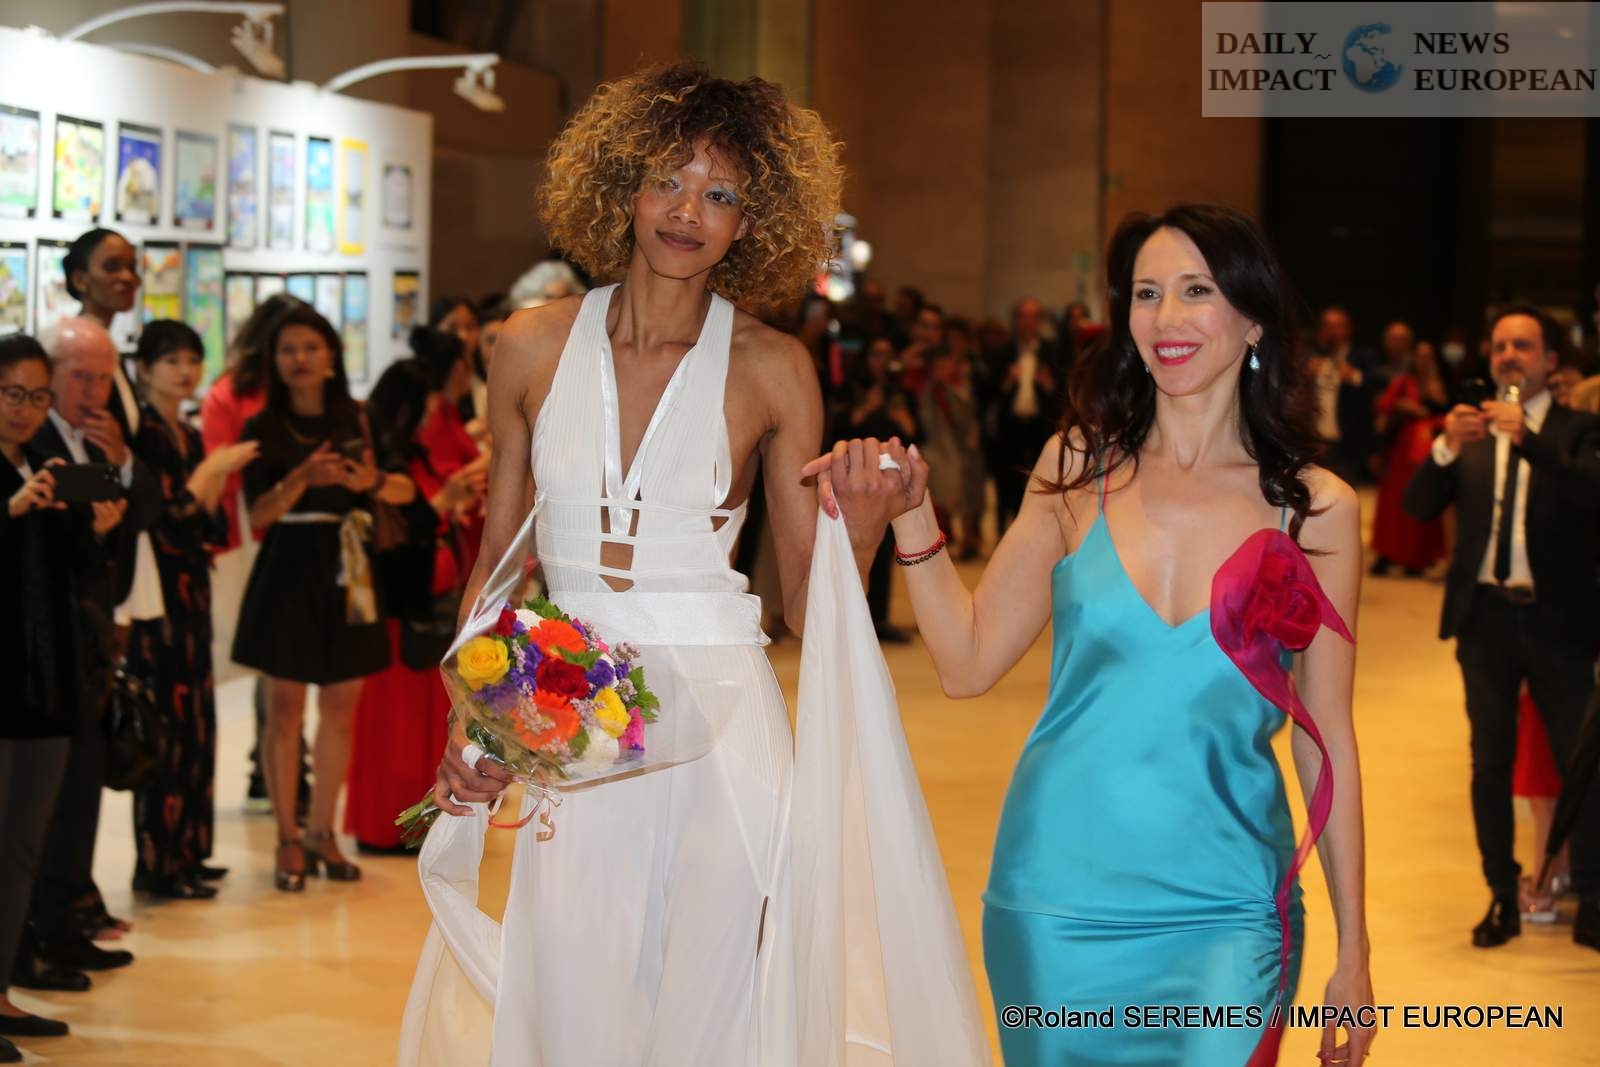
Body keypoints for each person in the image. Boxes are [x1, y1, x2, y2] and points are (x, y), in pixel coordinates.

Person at [403, 61, 892, 1066]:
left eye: (721, 194)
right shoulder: (529, 345)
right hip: (576, 709)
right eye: (668, 180)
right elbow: (499, 558)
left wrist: (868, 529)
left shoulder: (775, 366)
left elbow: (808, 602)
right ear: (622, 183)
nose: (687, 212)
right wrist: (474, 717)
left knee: (718, 1006)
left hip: (726, 723)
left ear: (752, 221)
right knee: (574, 994)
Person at [810, 204, 1376, 1065]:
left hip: (1230, 908)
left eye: (1197, 291)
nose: (1167, 317)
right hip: (1055, 903)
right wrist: (912, 514)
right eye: (1147, 293)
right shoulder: (1076, 469)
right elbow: (966, 662)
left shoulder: (1315, 509)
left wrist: (1355, 949)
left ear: (1254, 318)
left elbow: (1325, 737)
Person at [1404, 305, 1600, 953]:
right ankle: (1502, 894)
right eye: (1500, 346)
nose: (1509, 355)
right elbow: (1416, 506)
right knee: (1489, 762)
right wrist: (1444, 446)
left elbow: (1590, 494)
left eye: (1524, 345)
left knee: (1581, 761)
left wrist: (1530, 440)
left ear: (1551, 360)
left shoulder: (1577, 429)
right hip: (1484, 621)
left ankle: (1592, 897)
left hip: (1558, 621)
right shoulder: (1471, 432)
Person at [231, 305, 414, 892]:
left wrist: (369, 481)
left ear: (332, 354)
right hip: (287, 570)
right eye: (288, 349)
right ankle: (287, 837)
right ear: (273, 360)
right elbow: (258, 514)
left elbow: (406, 489)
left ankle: (322, 833)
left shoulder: (360, 418)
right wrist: (302, 479)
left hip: (350, 569)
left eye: (311, 347)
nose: (300, 359)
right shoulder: (261, 428)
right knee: (284, 709)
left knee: (340, 710)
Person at [17, 317, 158, 982]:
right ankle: (36, 938)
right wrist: (93, 529)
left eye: (103, 379)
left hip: (91, 647)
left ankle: (68, 923)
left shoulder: (102, 435)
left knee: (79, 794)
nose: (93, 391)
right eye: (79, 377)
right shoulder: (32, 440)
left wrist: (123, 462)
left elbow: (151, 509)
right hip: (45, 649)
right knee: (41, 808)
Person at [0, 333, 109, 1060]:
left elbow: (72, 577)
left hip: (45, 685)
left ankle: (1, 989)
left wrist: (95, 528)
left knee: (21, 847)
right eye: (13, 393)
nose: (26, 409)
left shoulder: (44, 465)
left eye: (38, 396)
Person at [123, 322, 259, 899]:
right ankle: (159, 863)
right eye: (171, 360)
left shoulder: (187, 432)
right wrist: (209, 476)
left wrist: (206, 483)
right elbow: (166, 521)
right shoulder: (144, 434)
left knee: (198, 725)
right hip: (158, 601)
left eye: (192, 360)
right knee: (166, 730)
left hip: (191, 595)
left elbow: (209, 525)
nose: (184, 371)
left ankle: (190, 853)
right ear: (145, 368)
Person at [345, 326, 487, 853]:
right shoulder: (385, 467)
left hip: (429, 602)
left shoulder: (414, 456)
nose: (434, 416)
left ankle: (424, 820)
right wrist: (445, 502)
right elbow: (408, 527)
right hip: (401, 605)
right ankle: (386, 824)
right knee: (395, 724)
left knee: (424, 718)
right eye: (426, 407)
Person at [199, 292, 307, 816]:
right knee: (274, 661)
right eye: (288, 345)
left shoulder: (298, 394)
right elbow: (222, 473)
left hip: (299, 541)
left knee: (286, 662)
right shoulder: (229, 394)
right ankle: (277, 769)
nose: (298, 356)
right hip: (251, 541)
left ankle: (280, 768)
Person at [1369, 337, 1446, 576]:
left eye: (1427, 356)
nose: (1423, 361)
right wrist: (1403, 407)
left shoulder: (1438, 384)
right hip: (1401, 453)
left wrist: (1427, 414)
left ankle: (1417, 558)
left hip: (1427, 453)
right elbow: (1383, 406)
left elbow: (1447, 413)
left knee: (1422, 502)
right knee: (1394, 503)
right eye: (1419, 356)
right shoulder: (1403, 382)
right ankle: (1388, 554)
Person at [988, 297, 1062, 532]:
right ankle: (1003, 532)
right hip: (1011, 428)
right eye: (1023, 316)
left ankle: (1038, 532)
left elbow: (1064, 391)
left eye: (1033, 317)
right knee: (1007, 483)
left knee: (1040, 481)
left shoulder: (1053, 351)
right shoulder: (1002, 352)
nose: (1028, 322)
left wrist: (1049, 386)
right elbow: (989, 393)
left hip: (1040, 427)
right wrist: (1008, 382)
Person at [1308, 306, 1379, 486]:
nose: (1333, 332)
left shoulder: (1362, 356)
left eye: (1337, 326)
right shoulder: (1311, 356)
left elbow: (1379, 385)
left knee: (1346, 490)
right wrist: (1303, 374)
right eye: (1327, 326)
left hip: (1347, 443)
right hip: (1315, 441)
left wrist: (1355, 376)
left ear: (1348, 329)